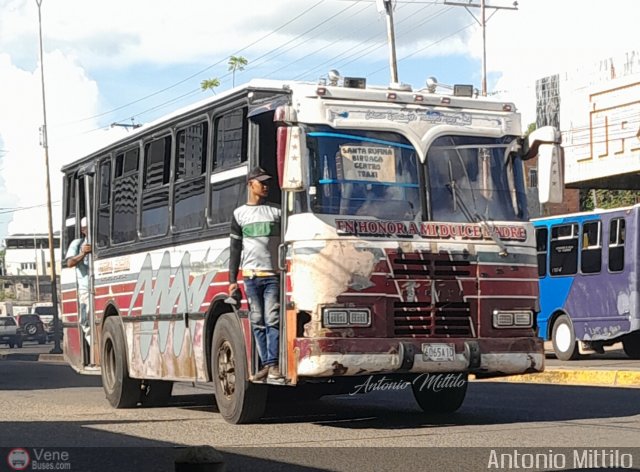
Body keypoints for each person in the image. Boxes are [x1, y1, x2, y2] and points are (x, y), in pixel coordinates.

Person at [228, 167, 282, 381]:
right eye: (261, 182)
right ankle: (267, 363)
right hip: (250, 277)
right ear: (250, 185)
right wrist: (232, 280)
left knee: (272, 318)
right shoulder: (239, 214)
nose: (265, 186)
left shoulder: (277, 212)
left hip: (272, 276)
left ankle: (273, 364)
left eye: (267, 182)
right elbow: (234, 249)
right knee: (258, 320)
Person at [65, 217, 92, 337]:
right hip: (85, 289)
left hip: (100, 285)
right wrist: (83, 253)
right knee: (86, 321)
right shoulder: (78, 244)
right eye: (87, 229)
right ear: (83, 230)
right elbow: (70, 263)